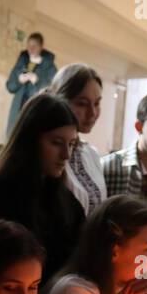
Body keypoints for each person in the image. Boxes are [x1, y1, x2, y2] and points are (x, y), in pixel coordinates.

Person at [0, 92, 84, 294]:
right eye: (56, 142)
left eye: (72, 144)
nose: (66, 154)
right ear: (31, 140)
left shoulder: (67, 201)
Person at [50, 64, 106, 216]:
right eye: (82, 104)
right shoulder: (47, 154)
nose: (92, 113)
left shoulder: (90, 154)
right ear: (60, 100)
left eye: (97, 103)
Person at [4, 32, 56, 134]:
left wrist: (38, 81)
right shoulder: (22, 62)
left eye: (34, 46)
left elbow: (53, 92)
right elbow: (10, 87)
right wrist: (19, 80)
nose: (31, 49)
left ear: (41, 47)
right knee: (14, 140)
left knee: (30, 142)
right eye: (29, 46)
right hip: (18, 113)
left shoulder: (49, 67)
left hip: (36, 113)